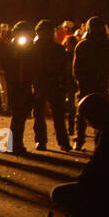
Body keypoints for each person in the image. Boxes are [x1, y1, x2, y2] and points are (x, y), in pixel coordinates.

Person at [72, 16, 109, 151]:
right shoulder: (83, 45)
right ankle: (80, 139)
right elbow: (77, 67)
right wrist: (81, 80)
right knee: (83, 113)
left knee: (100, 113)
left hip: (100, 83)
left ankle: (98, 141)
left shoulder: (107, 45)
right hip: (88, 83)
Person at [31, 20, 72, 152]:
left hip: (53, 83)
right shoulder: (34, 48)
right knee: (40, 114)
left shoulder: (57, 49)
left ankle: (61, 141)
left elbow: (64, 68)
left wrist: (64, 82)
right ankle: (42, 140)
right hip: (41, 82)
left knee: (57, 114)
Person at [2, 20, 36, 154]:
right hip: (15, 85)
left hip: (27, 85)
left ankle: (15, 143)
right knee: (17, 114)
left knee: (22, 115)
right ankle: (13, 144)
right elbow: (7, 66)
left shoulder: (32, 50)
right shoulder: (9, 49)